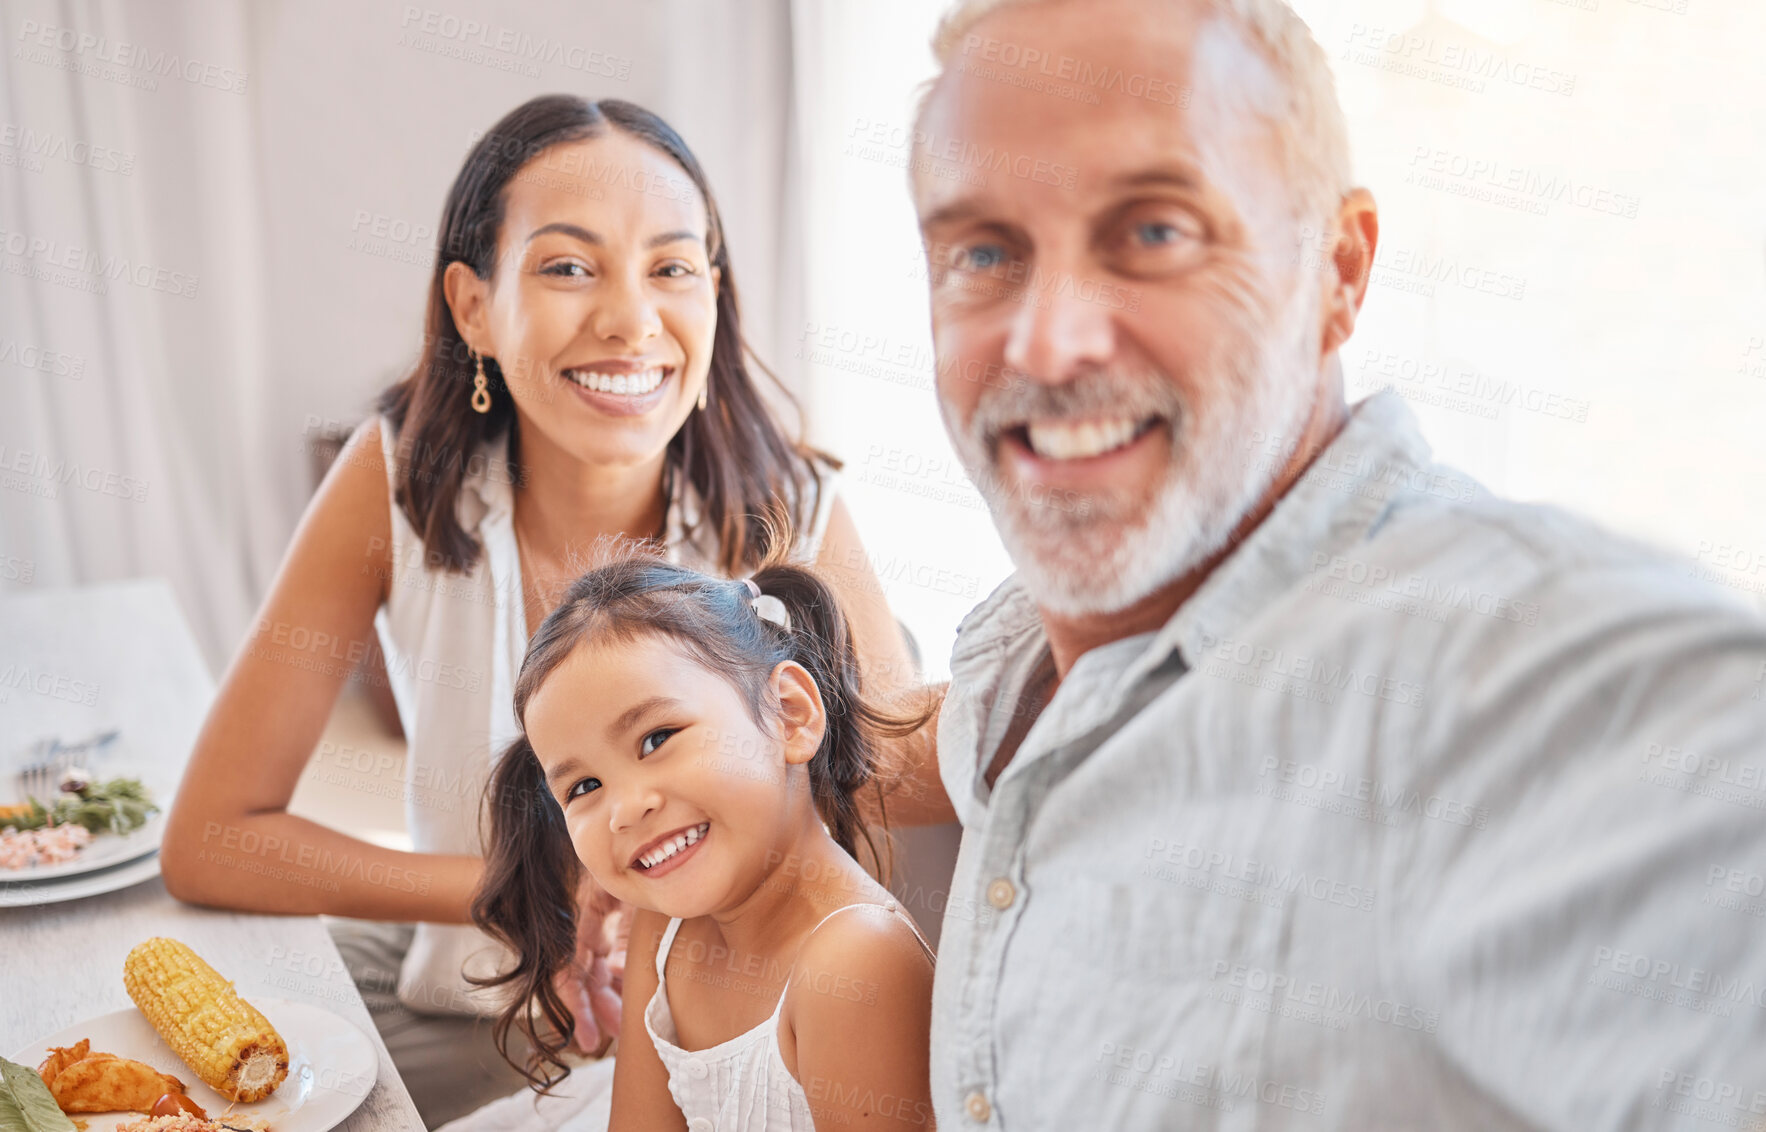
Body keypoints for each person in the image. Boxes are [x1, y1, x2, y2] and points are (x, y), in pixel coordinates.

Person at [899, 0, 1766, 1126]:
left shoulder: (1546, 678)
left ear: (1340, 271)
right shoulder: (1007, 669)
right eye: (983, 251)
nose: (1047, 339)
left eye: (1153, 232)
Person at [160, 95, 918, 1127]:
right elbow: (211, 837)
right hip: (462, 988)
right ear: (472, 306)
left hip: (698, 1010)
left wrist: (664, 928)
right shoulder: (397, 480)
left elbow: (886, 792)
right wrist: (529, 886)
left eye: (672, 266)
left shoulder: (788, 511)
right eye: (568, 266)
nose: (629, 320)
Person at [470, 556, 936, 1132]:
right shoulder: (663, 927)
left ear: (789, 714)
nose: (626, 808)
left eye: (656, 738)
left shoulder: (856, 964)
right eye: (584, 786)